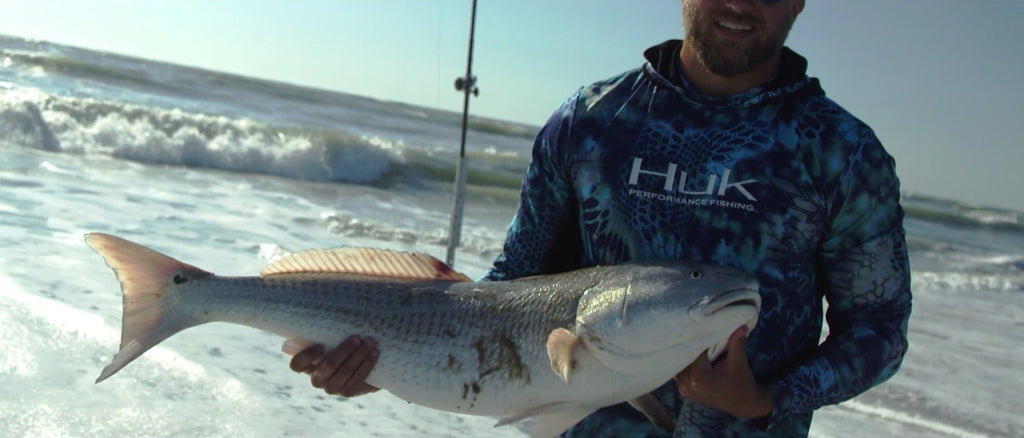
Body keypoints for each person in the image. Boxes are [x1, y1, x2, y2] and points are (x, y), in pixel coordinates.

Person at [288, 0, 913, 436]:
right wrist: (393, 361)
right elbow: (509, 289)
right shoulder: (590, 119)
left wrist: (767, 399)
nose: (741, 2)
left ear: (800, 1)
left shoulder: (841, 151)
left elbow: (880, 329)